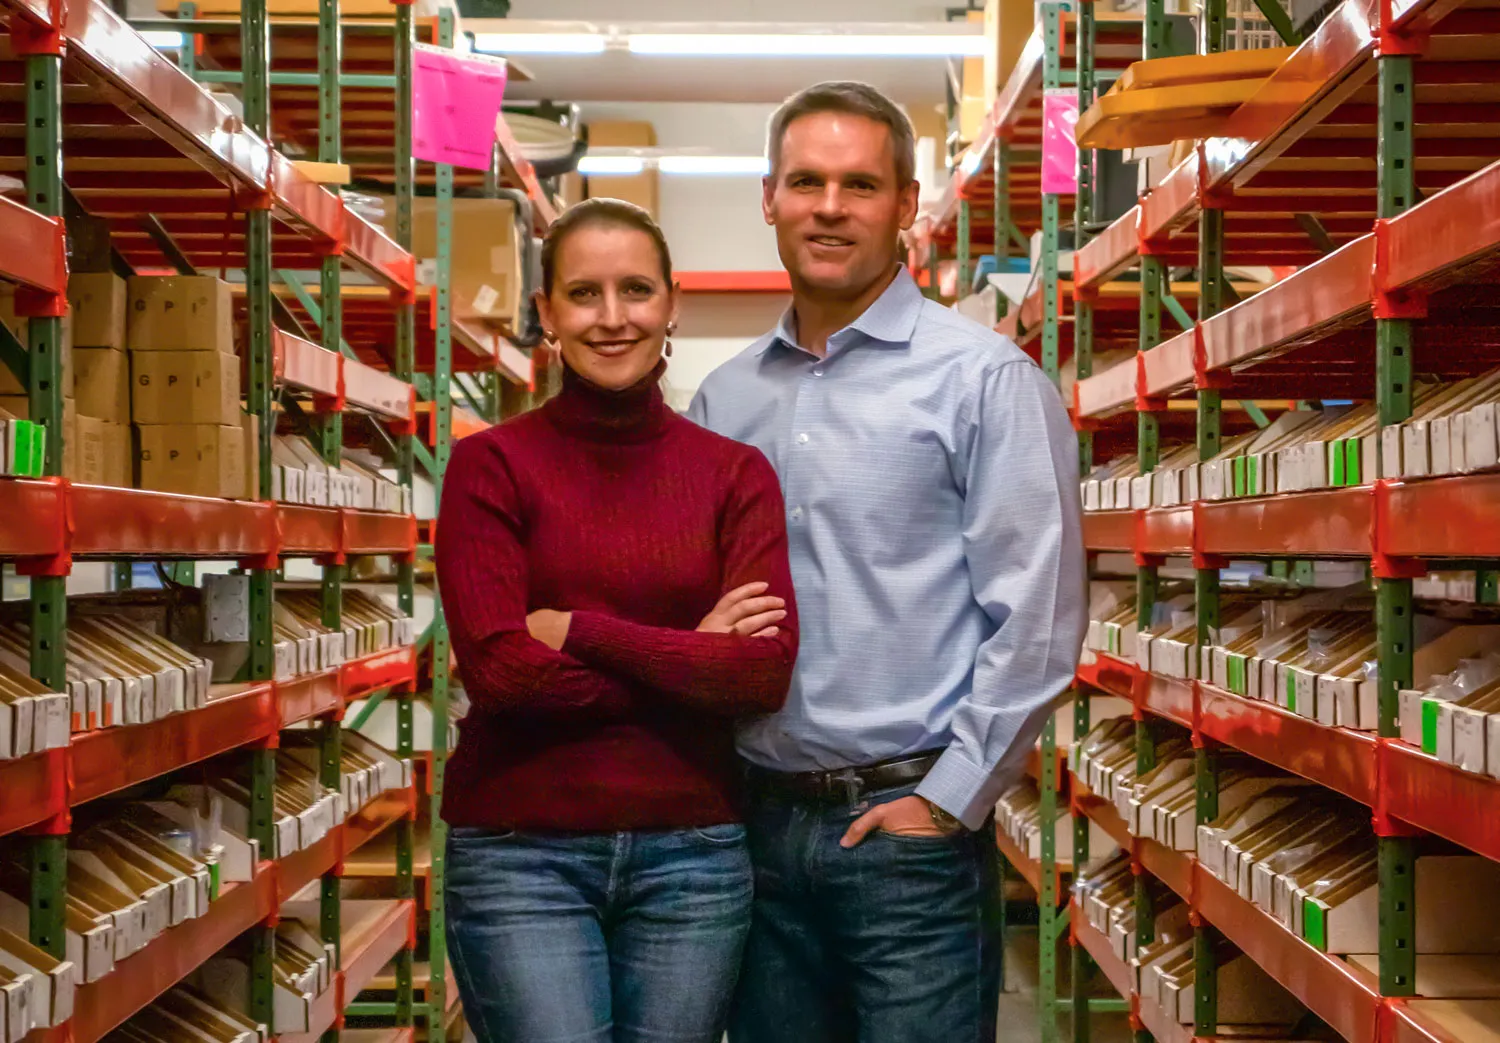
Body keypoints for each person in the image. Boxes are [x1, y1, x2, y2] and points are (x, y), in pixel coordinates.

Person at [688, 81, 1087, 1042]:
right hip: (755, 827)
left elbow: (1037, 617)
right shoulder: (724, 399)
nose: (830, 206)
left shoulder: (984, 379)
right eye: (807, 181)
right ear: (770, 199)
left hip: (908, 836)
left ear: (906, 206)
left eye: (860, 184)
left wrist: (946, 803)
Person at [435, 197, 800, 1043]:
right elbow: (501, 674)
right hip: (520, 850)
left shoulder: (734, 474)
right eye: (583, 293)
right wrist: (691, 656)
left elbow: (760, 674)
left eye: (635, 290)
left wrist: (584, 631)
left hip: (695, 851)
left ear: (674, 304)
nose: (612, 317)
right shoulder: (489, 466)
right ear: (547, 314)